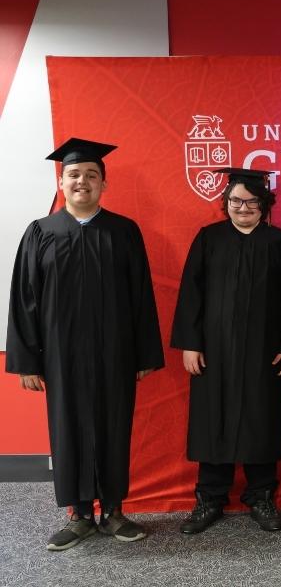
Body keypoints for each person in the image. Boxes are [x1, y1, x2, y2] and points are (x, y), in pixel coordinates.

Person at [6, 137, 164, 551]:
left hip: (115, 351)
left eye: (91, 176)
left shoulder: (123, 231)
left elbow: (141, 296)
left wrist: (145, 352)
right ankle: (78, 514)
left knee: (115, 425)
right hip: (60, 355)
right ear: (61, 181)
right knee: (68, 427)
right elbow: (24, 299)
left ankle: (112, 510)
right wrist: (27, 361)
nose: (82, 182)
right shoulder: (41, 232)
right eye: (74, 175)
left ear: (103, 184)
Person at [171, 167, 281, 534]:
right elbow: (191, 295)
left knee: (260, 419)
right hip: (214, 352)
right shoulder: (209, 239)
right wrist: (190, 343)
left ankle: (261, 496)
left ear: (264, 205)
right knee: (214, 420)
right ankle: (210, 498)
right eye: (235, 201)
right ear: (225, 203)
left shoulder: (278, 241)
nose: (242, 207)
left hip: (264, 352)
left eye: (251, 201)